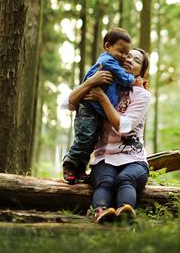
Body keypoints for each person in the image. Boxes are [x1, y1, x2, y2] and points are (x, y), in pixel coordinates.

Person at [65, 48, 151, 224]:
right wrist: (91, 82)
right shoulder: (105, 81)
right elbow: (68, 103)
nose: (129, 60)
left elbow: (123, 127)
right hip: (104, 158)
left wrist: (102, 99)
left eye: (136, 60)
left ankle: (125, 212)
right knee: (106, 181)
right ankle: (101, 212)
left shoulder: (141, 95)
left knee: (125, 178)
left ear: (141, 73)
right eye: (128, 56)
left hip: (134, 160)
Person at [62, 28, 135, 184]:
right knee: (85, 138)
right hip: (88, 109)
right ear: (107, 46)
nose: (123, 56)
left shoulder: (115, 63)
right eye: (121, 51)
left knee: (91, 141)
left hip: (97, 112)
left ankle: (80, 170)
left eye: (126, 53)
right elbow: (123, 77)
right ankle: (70, 164)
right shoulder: (108, 61)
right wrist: (132, 80)